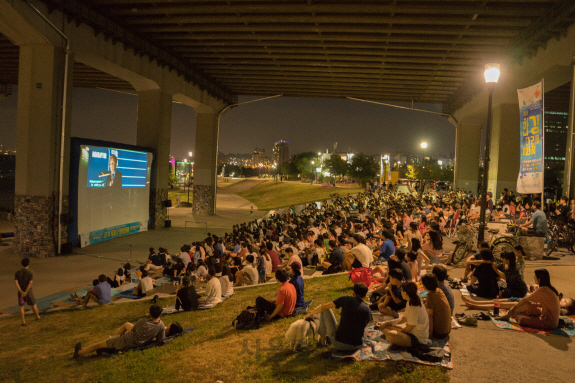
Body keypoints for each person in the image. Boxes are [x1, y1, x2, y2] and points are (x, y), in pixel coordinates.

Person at [74, 305, 180, 357]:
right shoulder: (161, 325)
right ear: (160, 315)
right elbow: (160, 339)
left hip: (127, 341)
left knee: (98, 344)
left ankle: (79, 352)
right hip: (137, 342)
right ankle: (108, 347)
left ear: (150, 313)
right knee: (117, 337)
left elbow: (134, 330)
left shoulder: (143, 321)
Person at [306, 283, 371, 357]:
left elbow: (323, 307)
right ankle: (326, 338)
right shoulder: (368, 310)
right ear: (365, 296)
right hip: (358, 345)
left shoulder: (346, 299)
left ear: (353, 292)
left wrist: (309, 314)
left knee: (325, 310)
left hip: (341, 344)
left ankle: (323, 339)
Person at [377, 282, 430, 348]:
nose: (400, 292)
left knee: (389, 334)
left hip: (417, 339)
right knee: (385, 327)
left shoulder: (414, 307)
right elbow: (403, 319)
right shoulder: (410, 301)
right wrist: (387, 323)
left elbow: (408, 329)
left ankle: (401, 342)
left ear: (405, 292)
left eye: (401, 290)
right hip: (411, 331)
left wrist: (396, 331)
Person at [421, 275, 451, 340]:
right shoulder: (439, 290)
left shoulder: (430, 295)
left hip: (439, 333)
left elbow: (430, 316)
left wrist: (430, 335)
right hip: (447, 330)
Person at [14, 258, 41, 325]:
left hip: (21, 293)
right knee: (33, 304)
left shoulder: (17, 273)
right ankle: (37, 316)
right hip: (28, 292)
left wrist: (21, 291)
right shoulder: (30, 272)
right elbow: (30, 283)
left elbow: (16, 282)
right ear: (28, 264)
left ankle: (23, 321)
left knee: (21, 306)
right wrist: (26, 291)